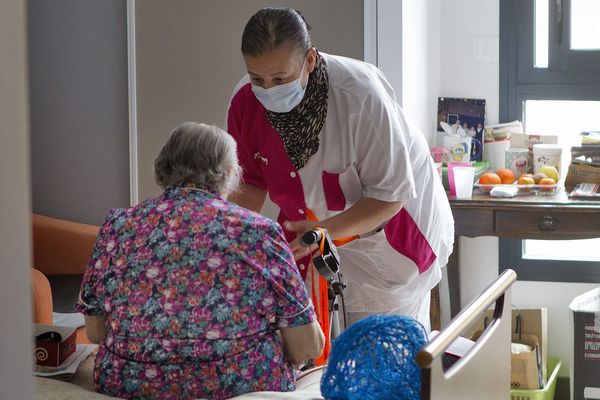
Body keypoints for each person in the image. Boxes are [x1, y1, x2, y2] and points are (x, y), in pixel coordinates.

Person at [226, 7, 454, 331]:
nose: (269, 90)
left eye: (280, 79)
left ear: (309, 60)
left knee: (382, 355)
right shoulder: (245, 103)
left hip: (391, 239)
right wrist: (228, 235)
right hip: (314, 238)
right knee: (321, 353)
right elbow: (249, 182)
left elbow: (388, 197)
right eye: (258, 79)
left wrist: (327, 231)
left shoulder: (360, 96)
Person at [76, 122, 324, 399]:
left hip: (129, 384)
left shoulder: (118, 225)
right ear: (230, 174)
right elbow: (307, 347)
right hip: (239, 383)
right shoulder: (258, 231)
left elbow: (95, 331)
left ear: (163, 168)